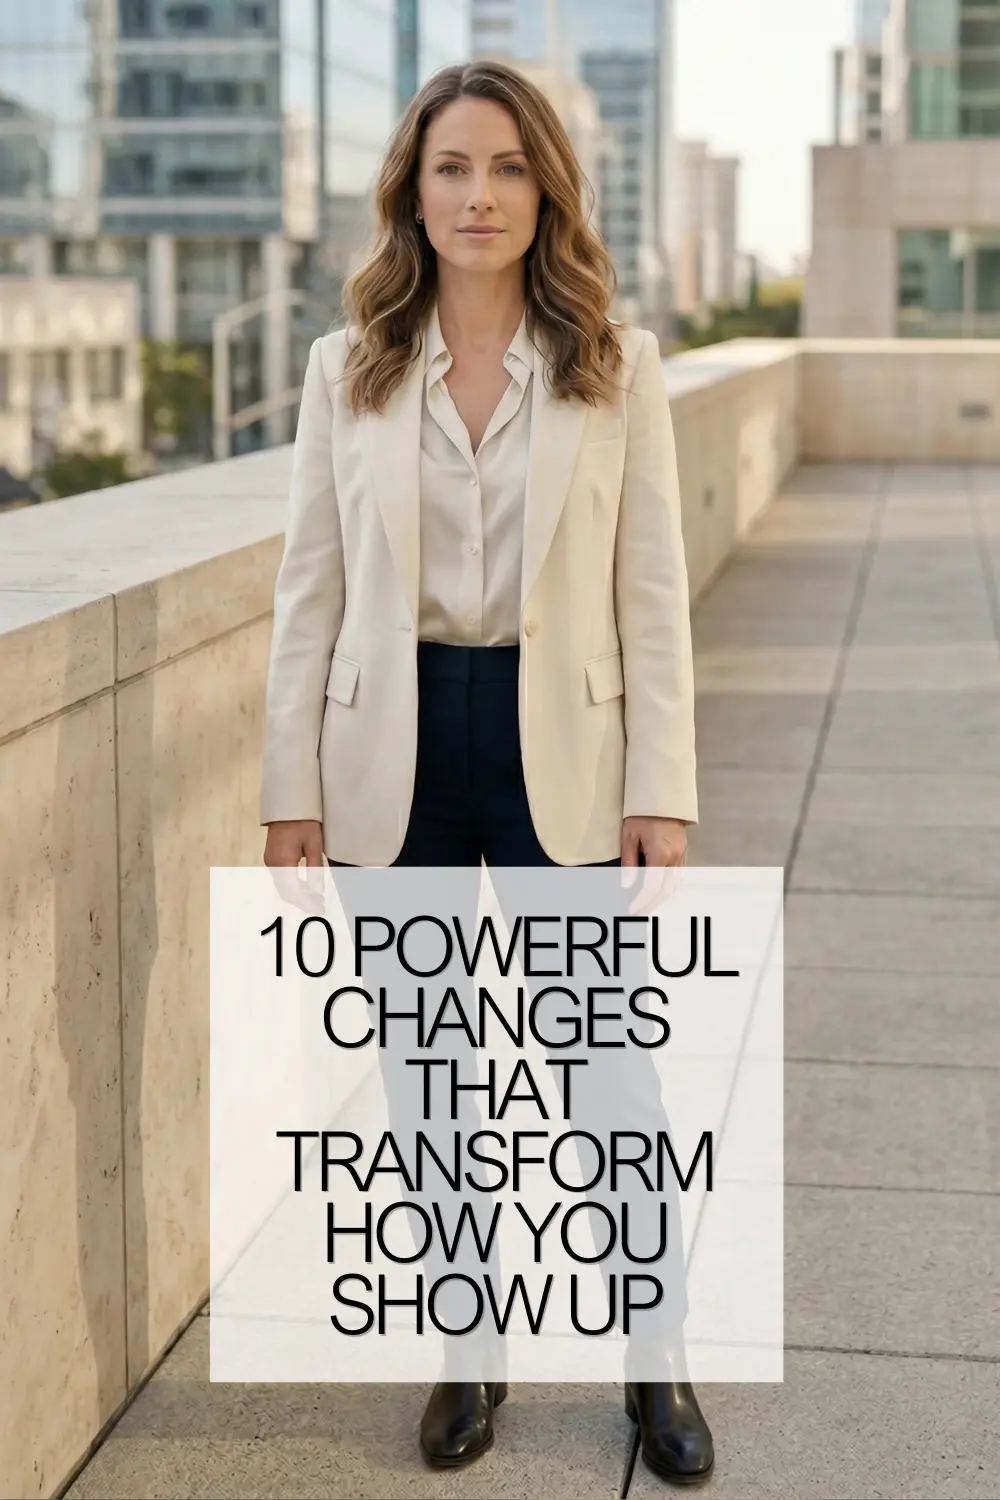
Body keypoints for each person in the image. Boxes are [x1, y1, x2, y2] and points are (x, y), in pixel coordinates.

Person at [260, 60, 713, 1487]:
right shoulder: (351, 367)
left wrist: (664, 786)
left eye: (508, 168)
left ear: (547, 192)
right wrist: (291, 787)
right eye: (452, 168)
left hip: (559, 744)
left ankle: (658, 1359)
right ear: (413, 190)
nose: (479, 196)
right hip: (386, 750)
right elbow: (306, 592)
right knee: (428, 1072)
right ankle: (467, 1347)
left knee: (601, 1072)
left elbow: (655, 593)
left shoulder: (614, 363)